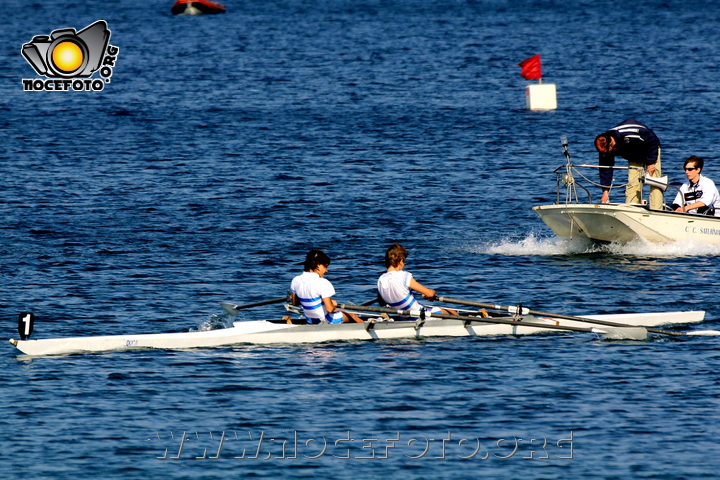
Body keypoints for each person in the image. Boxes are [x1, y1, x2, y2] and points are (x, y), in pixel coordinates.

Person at [594, 118, 663, 209]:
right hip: (633, 156)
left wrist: (651, 162)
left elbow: (653, 139)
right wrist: (605, 191)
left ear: (611, 143)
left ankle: (656, 209)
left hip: (650, 150)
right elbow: (605, 168)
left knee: (654, 182)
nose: (606, 154)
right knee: (632, 183)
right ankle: (632, 209)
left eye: (607, 152)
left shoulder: (629, 133)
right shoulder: (604, 147)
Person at [377, 243, 457, 319]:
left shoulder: (381, 279)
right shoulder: (403, 275)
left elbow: (381, 302)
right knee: (453, 313)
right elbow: (430, 293)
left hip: (403, 317)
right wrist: (430, 294)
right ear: (401, 261)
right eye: (404, 262)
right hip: (418, 315)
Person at [290, 250, 363, 324]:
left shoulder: (296, 280)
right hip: (326, 320)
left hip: (310, 320)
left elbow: (295, 302)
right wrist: (333, 304)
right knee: (352, 315)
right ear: (318, 265)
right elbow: (330, 309)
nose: (326, 270)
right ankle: (367, 328)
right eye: (325, 266)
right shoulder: (322, 282)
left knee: (341, 312)